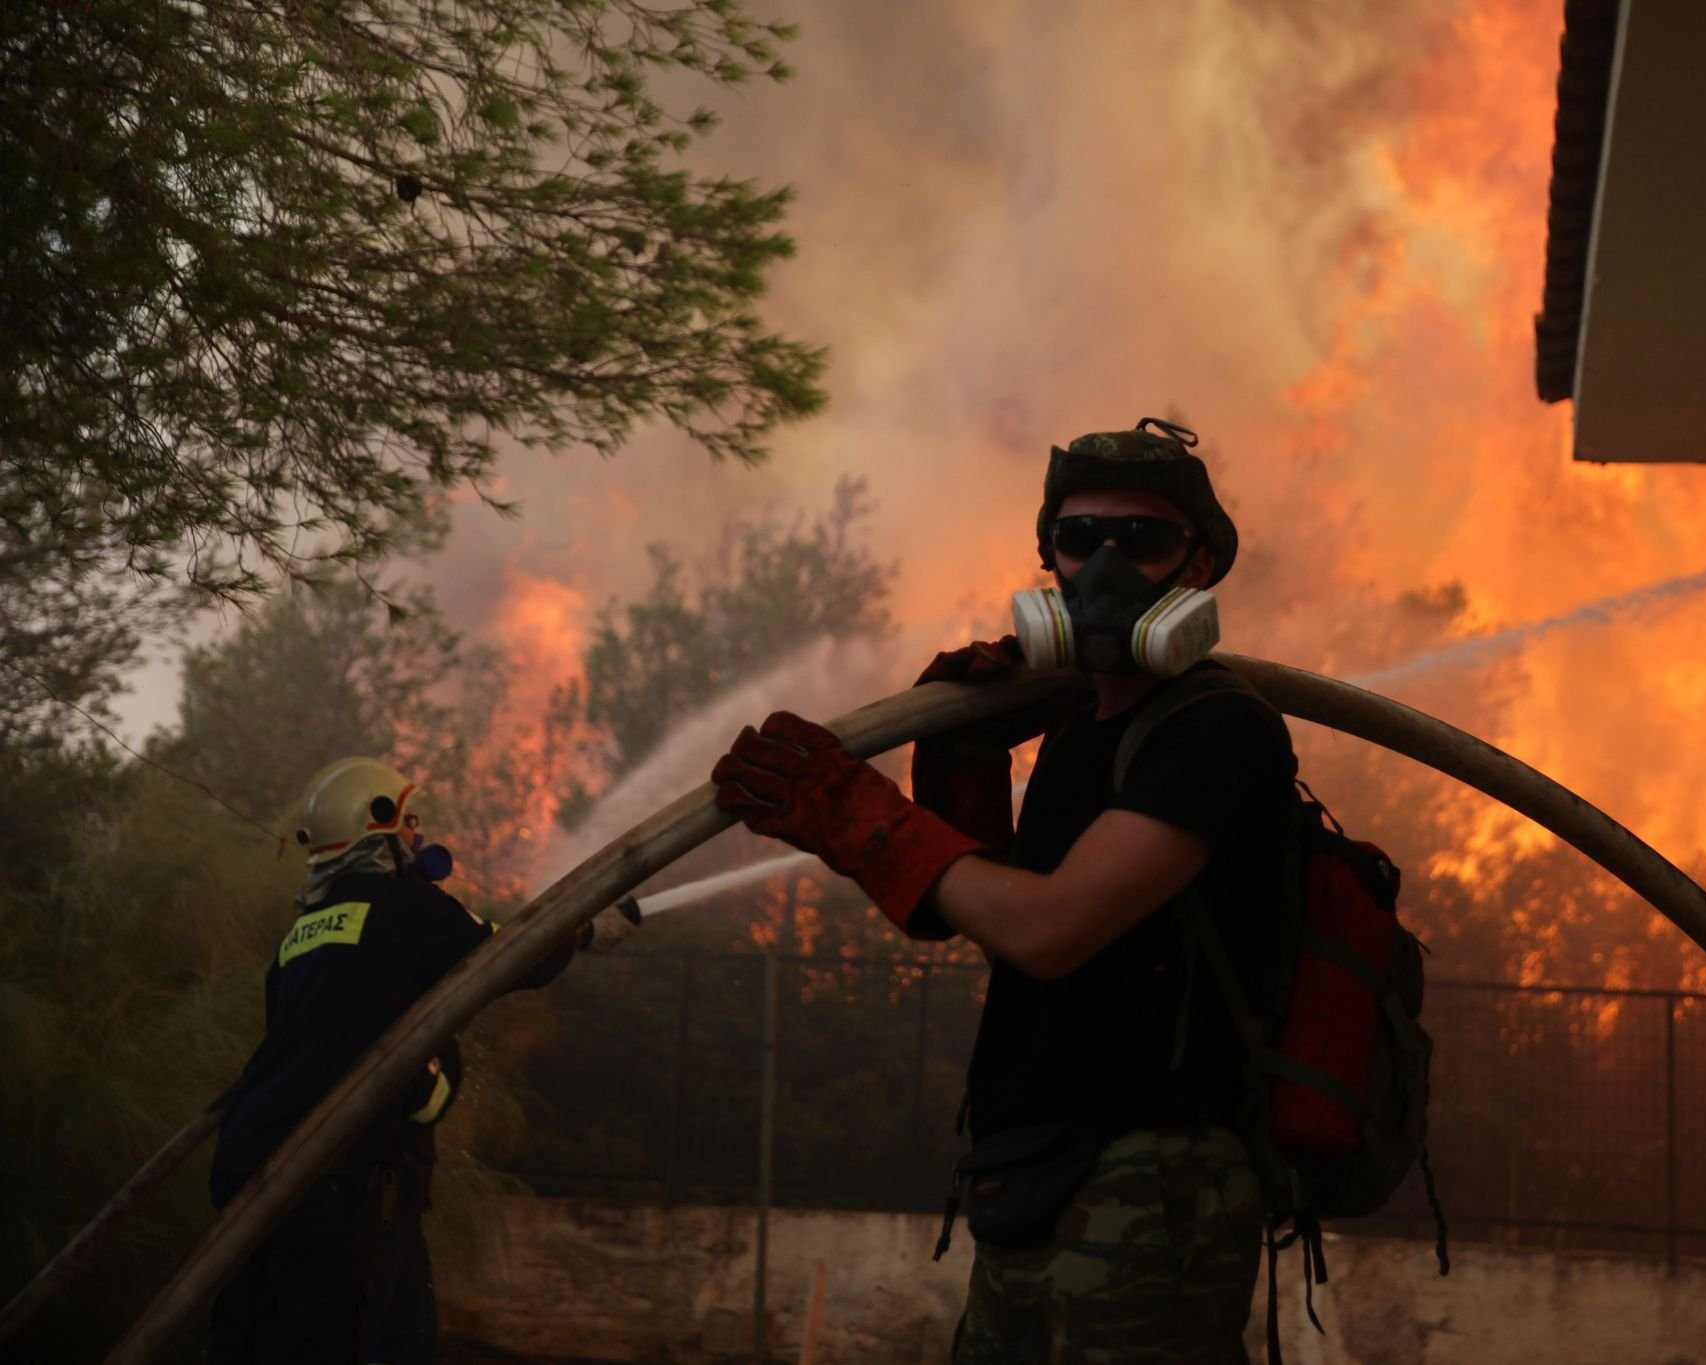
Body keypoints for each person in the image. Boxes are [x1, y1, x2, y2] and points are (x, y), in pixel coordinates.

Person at [713, 418, 1298, 1363]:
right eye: (1079, 539)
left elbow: (1051, 929)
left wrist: (865, 818)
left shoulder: (1219, 731)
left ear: (1197, 569)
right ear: (1048, 561)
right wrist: (965, 756)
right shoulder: (1079, 734)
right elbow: (1003, 920)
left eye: (1142, 541)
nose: (1104, 568)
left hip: (1149, 1184)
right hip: (1033, 1169)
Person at [206, 757, 628, 1365]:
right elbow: (516, 956)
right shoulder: (402, 905)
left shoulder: (302, 934)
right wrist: (582, 931)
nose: (419, 838)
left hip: (256, 1160)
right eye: (411, 823)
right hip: (337, 1175)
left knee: (260, 1340)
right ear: (379, 828)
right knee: (347, 1344)